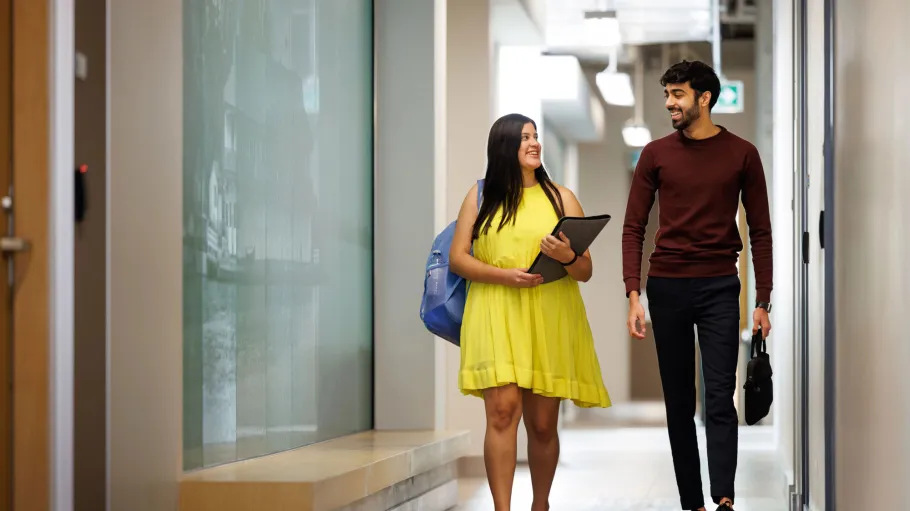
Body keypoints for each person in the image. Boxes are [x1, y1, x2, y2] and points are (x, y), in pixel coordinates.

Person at [621, 61, 773, 511]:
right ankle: (693, 502)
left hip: (721, 287)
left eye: (678, 94)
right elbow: (633, 227)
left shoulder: (742, 153)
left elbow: (761, 231)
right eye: (667, 93)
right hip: (666, 287)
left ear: (704, 98)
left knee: (720, 395)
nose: (669, 102)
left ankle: (723, 497)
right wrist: (634, 293)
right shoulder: (655, 154)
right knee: (679, 402)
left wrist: (763, 300)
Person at [450, 113, 611, 511]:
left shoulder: (562, 197)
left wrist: (568, 254)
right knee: (502, 413)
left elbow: (586, 271)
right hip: (495, 310)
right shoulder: (480, 196)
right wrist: (503, 276)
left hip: (549, 314)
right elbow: (457, 259)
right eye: (525, 137)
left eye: (535, 136)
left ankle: (541, 505)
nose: (534, 143)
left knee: (542, 425)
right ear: (505, 146)